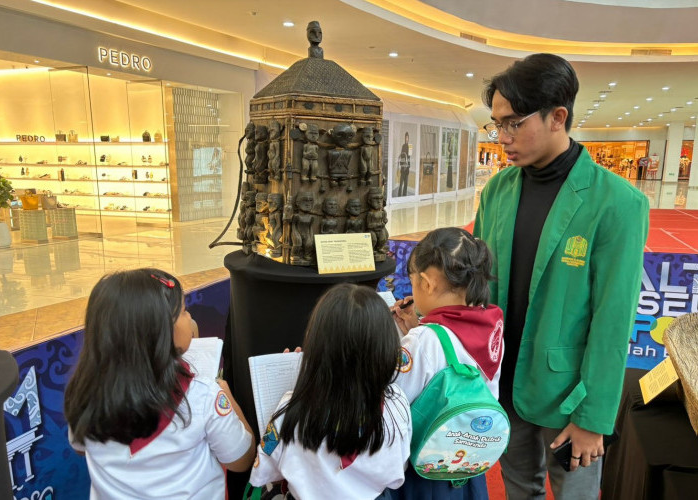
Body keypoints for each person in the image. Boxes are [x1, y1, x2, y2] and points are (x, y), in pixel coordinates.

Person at [474, 53, 649, 499]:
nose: (502, 139)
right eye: (496, 125)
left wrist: (592, 418)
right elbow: (482, 285)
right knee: (519, 490)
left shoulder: (617, 203)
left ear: (558, 117)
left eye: (513, 123)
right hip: (503, 381)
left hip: (569, 392)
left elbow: (613, 320)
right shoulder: (498, 190)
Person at [64, 268, 255, 499]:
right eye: (184, 311)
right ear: (163, 333)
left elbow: (80, 448)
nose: (190, 318)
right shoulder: (203, 395)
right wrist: (227, 396)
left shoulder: (85, 393)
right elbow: (241, 460)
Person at [249, 283, 412, 500]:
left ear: (315, 345)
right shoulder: (397, 402)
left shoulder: (291, 411)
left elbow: (267, 473)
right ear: (386, 346)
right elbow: (398, 470)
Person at [391, 227, 504, 500]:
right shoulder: (492, 322)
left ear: (427, 283)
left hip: (424, 471)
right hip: (467, 465)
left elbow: (396, 401)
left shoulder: (424, 340)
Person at [398, 132, 411, 196]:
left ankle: (404, 195)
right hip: (403, 166)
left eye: (407, 137)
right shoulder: (403, 146)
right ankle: (399, 195)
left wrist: (408, 166)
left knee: (406, 183)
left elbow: (409, 157)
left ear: (408, 138)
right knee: (401, 183)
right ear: (404, 138)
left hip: (407, 167)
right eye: (405, 137)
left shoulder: (410, 146)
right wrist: (402, 165)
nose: (406, 139)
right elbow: (402, 155)